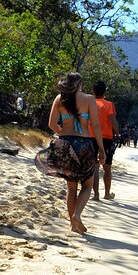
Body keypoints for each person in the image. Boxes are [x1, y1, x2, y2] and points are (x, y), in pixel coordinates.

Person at [35, 72, 105, 234]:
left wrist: (63, 133)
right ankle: (77, 215)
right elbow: (95, 125)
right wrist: (101, 148)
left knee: (71, 187)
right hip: (84, 144)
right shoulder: (89, 99)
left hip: (65, 144)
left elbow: (51, 124)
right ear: (80, 83)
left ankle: (73, 225)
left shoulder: (60, 99)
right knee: (87, 185)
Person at [91, 80, 119, 201]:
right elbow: (112, 120)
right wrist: (117, 133)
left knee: (95, 167)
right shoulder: (108, 104)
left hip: (91, 137)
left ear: (93, 91)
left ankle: (96, 194)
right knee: (107, 167)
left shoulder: (90, 104)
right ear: (105, 91)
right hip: (107, 138)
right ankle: (107, 194)